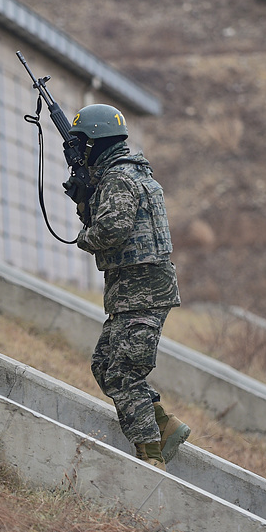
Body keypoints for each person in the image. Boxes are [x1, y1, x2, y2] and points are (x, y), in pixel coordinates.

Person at [70, 103, 190, 471]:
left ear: (95, 143)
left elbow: (112, 230)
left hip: (143, 291)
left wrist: (83, 235)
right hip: (132, 290)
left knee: (122, 374)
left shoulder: (119, 177)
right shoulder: (129, 173)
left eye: (82, 143)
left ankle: (150, 457)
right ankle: (163, 424)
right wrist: (84, 200)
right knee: (105, 363)